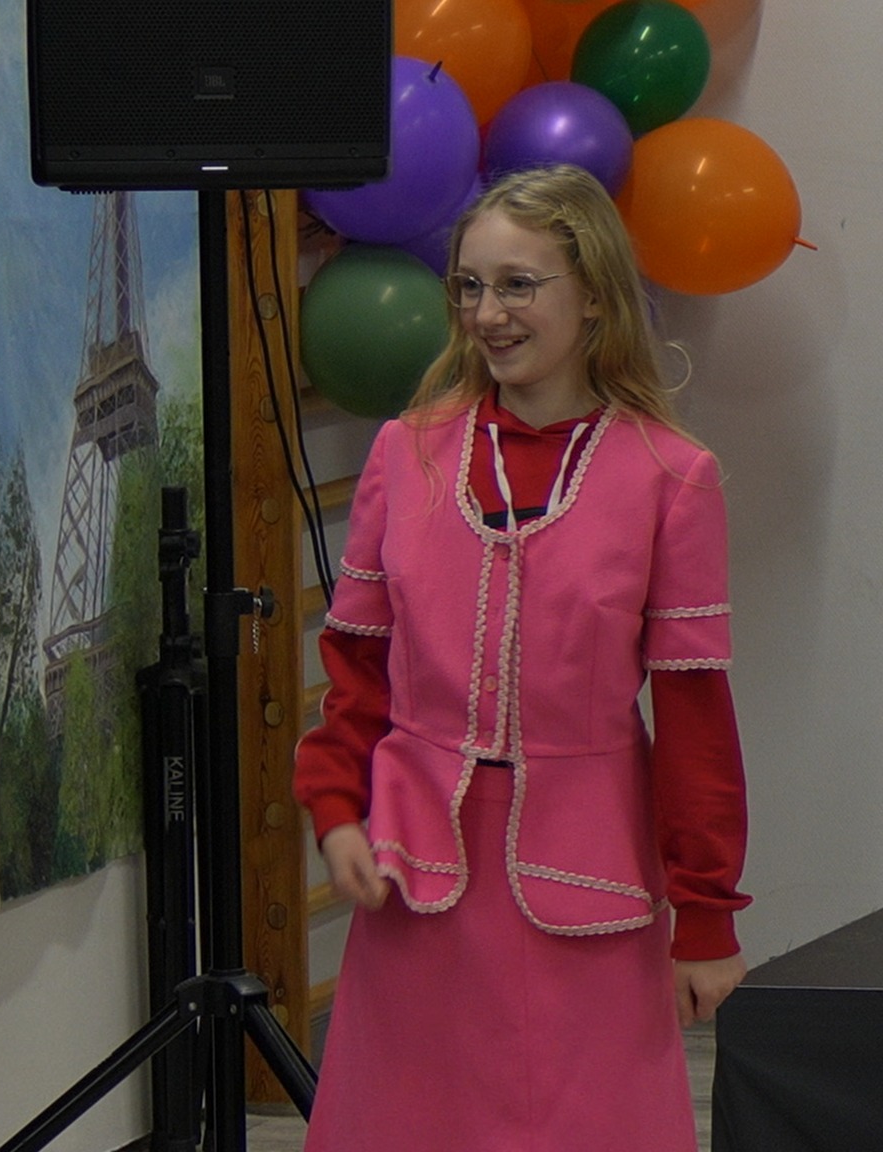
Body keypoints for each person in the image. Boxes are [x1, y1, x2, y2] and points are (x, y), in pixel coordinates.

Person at [292, 164, 751, 1152]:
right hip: (418, 879)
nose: (486, 314)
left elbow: (695, 724)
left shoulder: (672, 477)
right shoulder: (404, 455)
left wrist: (706, 916)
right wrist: (335, 809)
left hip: (590, 884)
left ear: (593, 297)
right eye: (468, 286)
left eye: (516, 285)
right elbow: (356, 670)